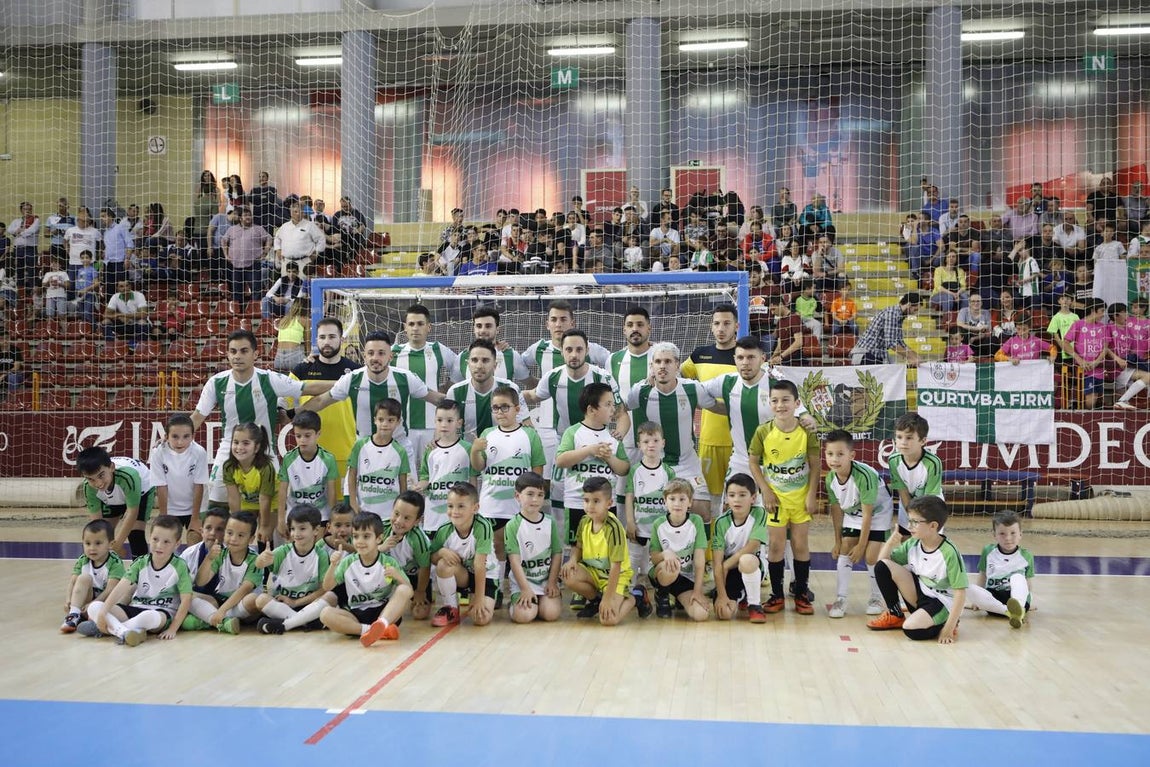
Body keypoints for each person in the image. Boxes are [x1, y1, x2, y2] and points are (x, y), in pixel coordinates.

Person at [192, 329, 328, 534]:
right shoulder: (217, 382)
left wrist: (347, 382)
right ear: (227, 354)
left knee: (272, 522)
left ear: (255, 354)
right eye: (233, 351)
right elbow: (196, 417)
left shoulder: (269, 379)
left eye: (244, 351)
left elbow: (307, 387)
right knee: (217, 514)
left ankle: (271, 556)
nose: (237, 356)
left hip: (265, 453)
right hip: (229, 452)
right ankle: (221, 558)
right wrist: (168, 437)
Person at [302, 330, 444, 457]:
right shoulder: (352, 379)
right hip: (364, 449)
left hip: (399, 449)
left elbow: (438, 400)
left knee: (407, 487)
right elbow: (321, 401)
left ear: (390, 356)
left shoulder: (406, 378)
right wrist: (291, 413)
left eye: (381, 353)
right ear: (364, 356)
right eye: (370, 353)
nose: (375, 358)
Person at [624, 342, 719, 519]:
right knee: (654, 516)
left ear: (677, 365)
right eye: (658, 361)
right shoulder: (641, 390)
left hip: (687, 463)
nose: (662, 366)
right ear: (651, 366)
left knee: (702, 509)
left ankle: (702, 547)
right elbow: (619, 409)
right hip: (655, 464)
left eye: (668, 361)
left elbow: (717, 407)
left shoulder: (692, 389)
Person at [748, 380, 820, 615]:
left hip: (800, 499)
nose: (780, 405)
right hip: (775, 499)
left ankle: (801, 593)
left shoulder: (807, 431)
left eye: (786, 400)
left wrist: (812, 495)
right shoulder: (763, 431)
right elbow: (753, 462)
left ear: (797, 403)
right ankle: (776, 595)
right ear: (770, 404)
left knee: (800, 545)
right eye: (775, 401)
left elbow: (815, 465)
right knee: (776, 546)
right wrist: (765, 490)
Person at [470, 384, 545, 595]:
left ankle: (521, 589)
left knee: (519, 548)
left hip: (518, 507)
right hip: (491, 506)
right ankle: (496, 590)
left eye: (505, 407)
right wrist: (475, 451)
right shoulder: (487, 434)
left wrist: (531, 504)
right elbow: (477, 467)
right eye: (495, 408)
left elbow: (536, 475)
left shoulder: (530, 435)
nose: (500, 412)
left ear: (517, 408)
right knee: (495, 548)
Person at [80, 515, 193, 646]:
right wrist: (103, 612)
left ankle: (107, 629)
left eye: (166, 542)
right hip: (135, 608)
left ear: (177, 544)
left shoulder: (180, 566)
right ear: (149, 538)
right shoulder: (140, 563)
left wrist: (173, 629)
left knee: (148, 617)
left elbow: (186, 600)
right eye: (155, 539)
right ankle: (124, 632)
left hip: (162, 613)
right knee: (95, 606)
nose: (159, 545)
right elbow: (120, 589)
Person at [867, 496, 966, 643]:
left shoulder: (949, 552)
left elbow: (960, 593)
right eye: (909, 520)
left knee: (911, 630)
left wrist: (948, 629)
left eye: (915, 522)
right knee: (883, 567)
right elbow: (881, 563)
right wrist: (890, 542)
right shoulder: (913, 543)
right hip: (920, 594)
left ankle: (945, 622)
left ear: (933, 526)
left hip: (941, 602)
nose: (909, 526)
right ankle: (895, 615)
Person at [823, 431, 893, 619]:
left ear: (851, 455)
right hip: (854, 512)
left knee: (871, 556)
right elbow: (836, 510)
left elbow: (868, 514)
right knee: (845, 548)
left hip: (878, 513)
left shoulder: (864, 476)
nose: (834, 459)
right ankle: (841, 598)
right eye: (830, 454)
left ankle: (876, 598)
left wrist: (862, 545)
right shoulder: (830, 478)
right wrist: (837, 541)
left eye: (840, 454)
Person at [556, 382, 631, 554]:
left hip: (605, 505)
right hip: (577, 503)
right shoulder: (573, 432)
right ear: (591, 410)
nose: (613, 409)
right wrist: (589, 450)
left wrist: (609, 457)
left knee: (603, 550)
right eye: (608, 404)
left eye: (613, 404)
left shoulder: (612, 438)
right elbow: (561, 460)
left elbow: (624, 468)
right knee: (577, 550)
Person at [319, 512, 413, 646]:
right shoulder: (347, 562)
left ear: (379, 538)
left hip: (383, 612)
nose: (360, 541)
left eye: (366, 536)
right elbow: (327, 587)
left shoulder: (388, 562)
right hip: (356, 615)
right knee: (325, 614)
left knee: (403, 589)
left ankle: (381, 624)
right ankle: (372, 631)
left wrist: (397, 575)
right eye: (356, 536)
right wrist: (333, 565)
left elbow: (409, 591)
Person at [681, 304, 739, 517]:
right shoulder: (699, 356)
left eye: (726, 323)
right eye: (717, 323)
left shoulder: (744, 356)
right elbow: (679, 379)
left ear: (736, 326)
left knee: (738, 498)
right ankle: (713, 549)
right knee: (711, 502)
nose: (721, 328)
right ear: (711, 327)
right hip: (708, 441)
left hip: (739, 444)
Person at [560, 477, 641, 624]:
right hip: (594, 572)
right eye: (586, 500)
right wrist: (572, 560)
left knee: (608, 621)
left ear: (609, 503)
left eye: (596, 501)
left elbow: (616, 567)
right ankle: (596, 600)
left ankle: (635, 598)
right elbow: (578, 547)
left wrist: (608, 598)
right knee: (568, 573)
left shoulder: (613, 528)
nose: (590, 506)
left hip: (616, 576)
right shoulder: (584, 521)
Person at [290, 317, 358, 484]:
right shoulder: (302, 370)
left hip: (345, 451)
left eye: (332, 337)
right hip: (309, 453)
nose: (326, 342)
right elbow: (284, 404)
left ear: (341, 339)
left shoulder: (355, 372)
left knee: (343, 508)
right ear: (316, 340)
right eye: (322, 337)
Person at [246, 504, 331, 635]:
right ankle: (305, 622)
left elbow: (322, 590)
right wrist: (261, 559)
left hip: (306, 604)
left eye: (302, 528)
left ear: (316, 530)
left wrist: (296, 602)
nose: (296, 533)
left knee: (330, 598)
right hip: (281, 605)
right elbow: (258, 564)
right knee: (261, 599)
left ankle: (287, 624)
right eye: (293, 529)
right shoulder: (282, 552)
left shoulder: (321, 555)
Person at [393, 304, 460, 464]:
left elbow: (460, 366)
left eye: (420, 324)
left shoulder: (438, 349)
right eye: (411, 324)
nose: (415, 328)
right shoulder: (393, 352)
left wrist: (446, 387)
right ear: (405, 327)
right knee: (407, 476)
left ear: (428, 327)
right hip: (403, 427)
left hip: (433, 426)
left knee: (430, 473)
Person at [429, 482, 500, 627]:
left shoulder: (483, 527)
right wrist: (442, 552)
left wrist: (479, 599)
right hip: (463, 576)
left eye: (461, 506)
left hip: (486, 576)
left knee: (481, 619)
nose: (454, 511)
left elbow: (480, 565)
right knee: (443, 564)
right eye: (450, 506)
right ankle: (451, 608)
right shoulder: (444, 530)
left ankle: (481, 597)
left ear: (475, 508)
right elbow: (432, 558)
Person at [182, 511, 261, 635]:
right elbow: (201, 581)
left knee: (253, 599)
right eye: (230, 533)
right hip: (219, 601)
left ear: (251, 539)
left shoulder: (255, 559)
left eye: (240, 535)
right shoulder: (221, 553)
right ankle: (222, 622)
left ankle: (207, 619)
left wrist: (222, 611)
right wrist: (209, 559)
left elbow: (244, 589)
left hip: (242, 604)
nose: (234, 539)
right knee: (187, 595)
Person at [504, 472, 563, 623]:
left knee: (551, 614)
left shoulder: (550, 522)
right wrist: (525, 589)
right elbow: (514, 562)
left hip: (544, 581)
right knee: (524, 617)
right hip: (523, 582)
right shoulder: (513, 525)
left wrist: (552, 582)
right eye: (530, 494)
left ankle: (540, 602)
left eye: (540, 494)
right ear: (518, 496)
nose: (535, 499)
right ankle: (515, 603)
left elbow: (557, 553)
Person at [445, 338, 532, 441]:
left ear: (495, 365)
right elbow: (446, 429)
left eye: (485, 360)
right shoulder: (455, 392)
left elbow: (527, 426)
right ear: (468, 364)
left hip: (504, 454)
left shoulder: (511, 388)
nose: (479, 366)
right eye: (474, 360)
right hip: (470, 454)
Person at [711, 473, 769, 623]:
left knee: (746, 560)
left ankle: (754, 605)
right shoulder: (720, 522)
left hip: (751, 564)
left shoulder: (759, 513)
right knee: (724, 614)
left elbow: (753, 545)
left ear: (753, 498)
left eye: (742, 495)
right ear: (727, 498)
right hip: (728, 571)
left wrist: (727, 564)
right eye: (732, 495)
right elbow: (717, 564)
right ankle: (741, 594)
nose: (736, 499)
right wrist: (722, 596)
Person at [77, 447, 155, 560]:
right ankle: (105, 572)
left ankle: (140, 572)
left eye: (101, 475)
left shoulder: (129, 477)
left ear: (112, 467)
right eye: (91, 479)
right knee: (102, 535)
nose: (98, 483)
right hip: (112, 494)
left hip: (142, 490)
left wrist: (117, 544)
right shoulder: (88, 488)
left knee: (135, 534)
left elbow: (132, 512)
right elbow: (97, 525)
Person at [623, 422, 676, 588]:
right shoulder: (635, 470)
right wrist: (630, 522)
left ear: (663, 443)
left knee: (655, 561)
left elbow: (672, 502)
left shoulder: (668, 471)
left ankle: (661, 590)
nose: (651, 445)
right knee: (633, 558)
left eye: (655, 440)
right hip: (638, 526)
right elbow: (629, 497)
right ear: (639, 445)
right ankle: (629, 589)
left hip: (659, 529)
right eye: (646, 441)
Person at [649, 479, 710, 621]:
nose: (677, 503)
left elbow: (700, 560)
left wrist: (697, 591)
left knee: (701, 615)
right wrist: (666, 553)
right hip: (663, 573)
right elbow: (653, 557)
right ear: (665, 501)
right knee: (672, 566)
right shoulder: (659, 524)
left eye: (682, 499)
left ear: (690, 502)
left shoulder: (696, 521)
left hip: (685, 578)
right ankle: (662, 595)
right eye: (672, 499)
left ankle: (678, 597)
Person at [416, 400, 476, 533]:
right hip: (433, 520)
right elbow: (426, 478)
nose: (444, 424)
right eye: (439, 420)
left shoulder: (467, 449)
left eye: (449, 420)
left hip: (459, 519)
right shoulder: (430, 450)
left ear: (459, 423)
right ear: (435, 422)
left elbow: (473, 481)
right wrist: (419, 487)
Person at [347, 399, 410, 521]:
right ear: (375, 420)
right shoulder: (360, 446)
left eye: (390, 420)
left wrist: (399, 512)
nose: (385, 424)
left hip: (388, 516)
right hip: (363, 512)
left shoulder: (400, 451)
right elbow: (352, 475)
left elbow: (403, 486)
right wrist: (353, 503)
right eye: (381, 420)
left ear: (398, 422)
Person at [278, 410, 340, 534]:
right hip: (294, 514)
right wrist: (280, 519)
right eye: (298, 436)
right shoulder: (288, 459)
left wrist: (333, 521)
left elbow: (332, 493)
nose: (302, 440)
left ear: (318, 434)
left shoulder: (328, 459)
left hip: (321, 515)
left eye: (307, 436)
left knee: (317, 549)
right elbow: (282, 490)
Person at [149, 414, 209, 540]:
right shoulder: (158, 452)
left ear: (193, 436)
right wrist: (163, 516)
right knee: (164, 540)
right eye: (175, 437)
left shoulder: (199, 452)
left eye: (186, 437)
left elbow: (199, 486)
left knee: (194, 540)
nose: (180, 442)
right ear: (166, 437)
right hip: (170, 508)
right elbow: (161, 486)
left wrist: (195, 518)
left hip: (195, 507)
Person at [60, 519, 125, 634]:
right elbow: (73, 582)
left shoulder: (115, 562)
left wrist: (93, 604)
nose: (92, 548)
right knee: (84, 578)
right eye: (88, 543)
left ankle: (98, 622)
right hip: (86, 603)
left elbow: (111, 589)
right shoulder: (83, 560)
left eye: (98, 543)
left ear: (111, 544)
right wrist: (68, 600)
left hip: (105, 603)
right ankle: (74, 615)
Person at [887, 412, 945, 539]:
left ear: (923, 441)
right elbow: (902, 491)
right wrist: (911, 516)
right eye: (899, 437)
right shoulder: (893, 461)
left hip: (931, 506)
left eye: (909, 438)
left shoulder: (933, 463)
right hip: (908, 504)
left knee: (929, 542)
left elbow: (930, 497)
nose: (903, 442)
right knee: (906, 540)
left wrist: (920, 520)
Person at [379, 491, 433, 621]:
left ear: (417, 521)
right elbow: (364, 555)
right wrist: (380, 548)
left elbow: (425, 567)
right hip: (387, 578)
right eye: (396, 514)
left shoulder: (418, 539)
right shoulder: (381, 528)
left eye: (407, 518)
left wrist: (420, 591)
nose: (398, 521)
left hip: (413, 578)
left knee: (419, 614)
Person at [222, 423, 277, 545]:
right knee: (241, 532)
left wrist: (264, 526)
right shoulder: (228, 466)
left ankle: (267, 562)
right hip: (248, 502)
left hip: (271, 502)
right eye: (236, 442)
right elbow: (233, 498)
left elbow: (265, 500)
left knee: (264, 536)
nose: (239, 447)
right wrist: (236, 521)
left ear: (256, 447)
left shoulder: (266, 467)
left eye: (245, 443)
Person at [454, 305, 529, 383]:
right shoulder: (462, 357)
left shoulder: (512, 356)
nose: (483, 330)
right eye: (479, 326)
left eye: (488, 326)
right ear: (474, 329)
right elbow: (451, 387)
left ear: (497, 329)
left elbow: (531, 384)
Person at [1059, 298, 1110, 409]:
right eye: (1101, 311)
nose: (1103, 314)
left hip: (1098, 367)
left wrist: (1096, 362)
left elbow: (1105, 347)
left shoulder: (1103, 327)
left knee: (1096, 397)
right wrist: (1079, 359)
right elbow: (1065, 343)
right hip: (1083, 369)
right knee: (1091, 398)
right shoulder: (1078, 324)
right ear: (1093, 310)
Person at [849, 292, 922, 366]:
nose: (914, 313)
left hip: (876, 354)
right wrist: (910, 357)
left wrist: (915, 356)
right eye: (915, 310)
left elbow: (900, 342)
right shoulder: (892, 313)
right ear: (909, 305)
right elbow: (891, 343)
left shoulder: (899, 315)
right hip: (865, 354)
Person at [221, 207, 272, 303]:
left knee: (256, 291)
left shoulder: (258, 229)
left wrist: (265, 252)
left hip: (253, 265)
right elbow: (223, 241)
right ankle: (237, 314)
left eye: (249, 215)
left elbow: (269, 239)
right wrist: (226, 255)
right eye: (245, 215)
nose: (248, 217)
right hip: (236, 266)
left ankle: (255, 312)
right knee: (236, 292)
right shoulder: (232, 229)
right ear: (240, 218)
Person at [1108, 303, 1150, 411]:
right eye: (1124, 312)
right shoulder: (1108, 328)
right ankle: (1122, 401)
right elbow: (1104, 348)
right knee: (1148, 376)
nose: (1127, 314)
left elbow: (1130, 348)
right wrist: (1117, 359)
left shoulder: (1128, 329)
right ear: (1115, 316)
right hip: (1114, 366)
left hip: (1127, 365)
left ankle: (1122, 401)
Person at [273, 201, 325, 275]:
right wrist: (278, 250)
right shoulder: (284, 226)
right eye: (295, 211)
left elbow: (321, 239)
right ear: (290, 212)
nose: (297, 214)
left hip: (304, 262)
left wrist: (315, 254)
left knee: (304, 285)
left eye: (300, 211)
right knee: (286, 285)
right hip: (287, 262)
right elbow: (277, 239)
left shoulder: (310, 225)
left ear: (303, 212)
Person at [102, 279, 152, 343]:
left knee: (142, 321)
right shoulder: (115, 297)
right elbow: (105, 315)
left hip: (137, 325)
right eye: (121, 286)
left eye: (127, 285)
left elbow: (143, 314)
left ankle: (138, 346)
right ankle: (110, 345)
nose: (125, 288)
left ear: (130, 287)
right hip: (123, 325)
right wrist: (119, 317)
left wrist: (122, 315)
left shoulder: (139, 295)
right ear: (117, 288)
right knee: (105, 321)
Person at [99, 207, 134, 291]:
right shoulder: (106, 232)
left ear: (110, 216)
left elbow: (130, 244)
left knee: (123, 289)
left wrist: (127, 259)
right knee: (109, 289)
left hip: (120, 264)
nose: (102, 219)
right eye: (101, 217)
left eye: (104, 216)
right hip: (108, 264)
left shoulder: (120, 228)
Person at [9, 201, 41, 291]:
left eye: (29, 209)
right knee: (19, 271)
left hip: (30, 248)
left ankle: (32, 293)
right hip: (18, 249)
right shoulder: (16, 221)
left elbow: (32, 230)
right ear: (21, 210)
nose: (27, 211)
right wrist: (17, 230)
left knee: (32, 271)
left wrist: (20, 232)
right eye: (25, 209)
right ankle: (21, 292)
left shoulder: (36, 220)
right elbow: (9, 230)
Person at [272, 296, 309, 373]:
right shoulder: (305, 320)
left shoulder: (284, 320)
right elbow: (307, 345)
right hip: (294, 356)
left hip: (278, 358)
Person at [930, 248, 968, 314]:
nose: (951, 258)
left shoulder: (960, 271)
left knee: (965, 296)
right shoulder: (939, 270)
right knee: (948, 298)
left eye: (953, 257)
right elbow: (938, 287)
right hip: (938, 295)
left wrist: (957, 294)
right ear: (945, 259)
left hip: (955, 294)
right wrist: (953, 294)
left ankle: (964, 318)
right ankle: (946, 319)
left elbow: (963, 286)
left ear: (956, 259)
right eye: (949, 257)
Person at [71, 250, 101, 322]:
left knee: (87, 313)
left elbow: (96, 283)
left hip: (89, 294)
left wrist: (86, 289)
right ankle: (85, 331)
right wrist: (78, 291)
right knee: (82, 314)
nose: (84, 259)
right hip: (80, 295)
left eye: (87, 257)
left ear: (91, 259)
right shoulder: (79, 270)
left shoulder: (92, 270)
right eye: (82, 258)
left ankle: (94, 330)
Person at [40, 255, 70, 321]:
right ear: (50, 265)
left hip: (61, 295)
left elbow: (68, 285)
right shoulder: (47, 274)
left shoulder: (63, 273)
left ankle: (64, 330)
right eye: (52, 263)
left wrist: (59, 284)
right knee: (50, 316)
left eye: (56, 263)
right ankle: (50, 330)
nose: (54, 264)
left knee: (62, 316)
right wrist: (49, 281)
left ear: (60, 265)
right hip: (50, 296)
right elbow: (43, 285)